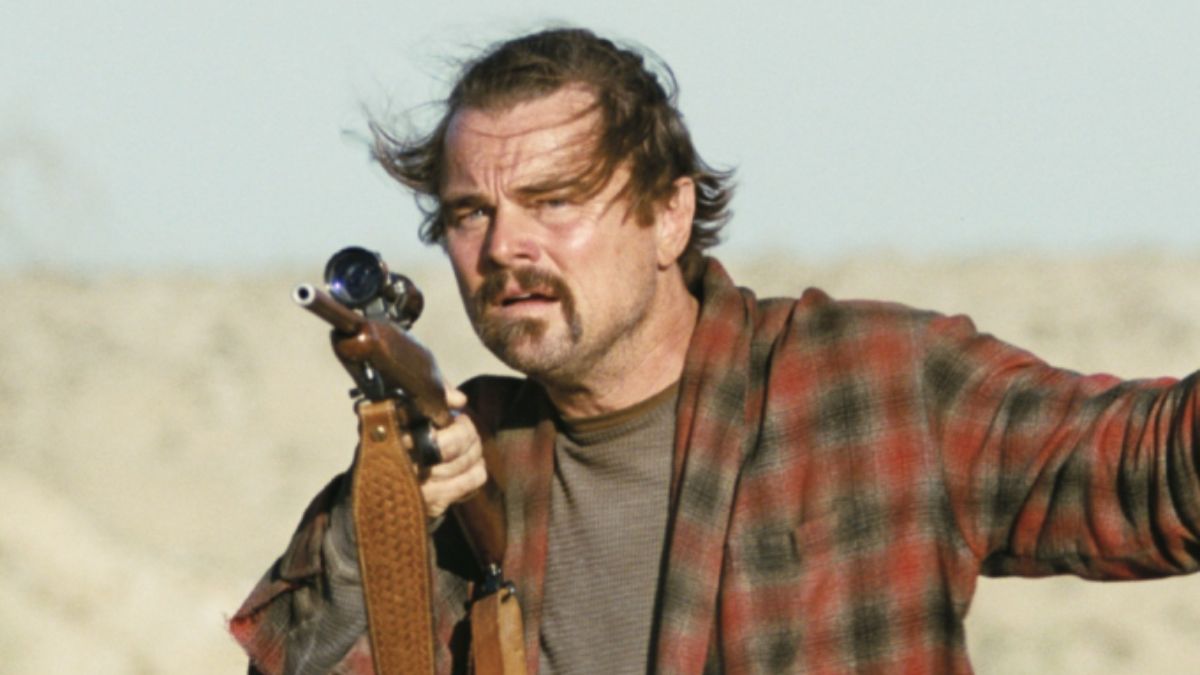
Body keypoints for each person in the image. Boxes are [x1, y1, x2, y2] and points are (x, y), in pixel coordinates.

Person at [230, 27, 1200, 674]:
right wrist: (384, 522)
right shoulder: (463, 457)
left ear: (668, 213)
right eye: (472, 213)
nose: (506, 246)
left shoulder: (878, 386)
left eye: (557, 200)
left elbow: (1154, 472)